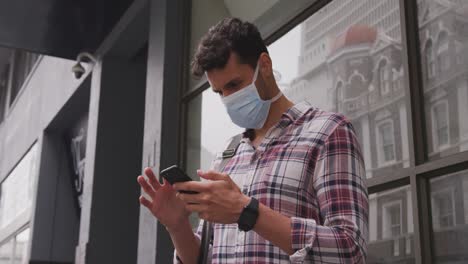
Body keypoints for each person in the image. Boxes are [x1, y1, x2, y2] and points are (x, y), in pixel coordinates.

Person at [137, 17, 368, 263]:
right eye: (220, 92)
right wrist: (178, 226)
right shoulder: (228, 154)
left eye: (234, 84)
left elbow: (350, 250)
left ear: (265, 65)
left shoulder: (328, 132)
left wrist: (247, 211)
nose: (228, 98)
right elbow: (205, 257)